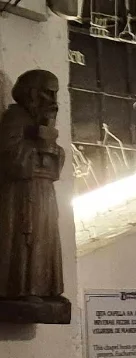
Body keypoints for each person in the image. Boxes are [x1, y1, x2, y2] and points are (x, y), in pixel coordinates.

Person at [0, 70, 65, 301]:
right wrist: (41, 145)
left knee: (45, 236)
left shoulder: (40, 121)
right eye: (48, 93)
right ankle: (24, 289)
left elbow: (56, 161)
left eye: (55, 93)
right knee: (25, 237)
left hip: (44, 191)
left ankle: (45, 287)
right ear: (33, 93)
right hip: (22, 192)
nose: (53, 100)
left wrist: (51, 147)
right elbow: (9, 157)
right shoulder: (15, 118)